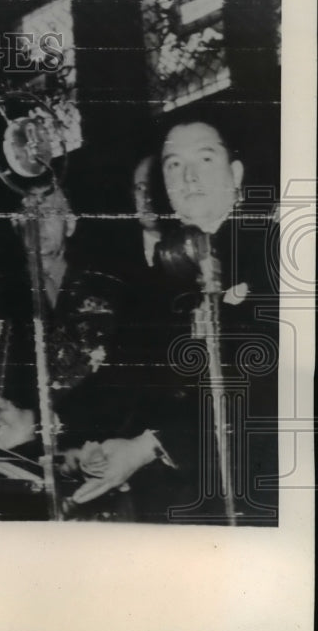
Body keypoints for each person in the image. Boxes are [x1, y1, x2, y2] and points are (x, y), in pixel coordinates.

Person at [71, 121, 278, 524]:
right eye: (173, 165)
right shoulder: (156, 280)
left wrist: (151, 445)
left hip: (257, 496)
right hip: (169, 503)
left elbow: (267, 381)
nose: (189, 175)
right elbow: (119, 378)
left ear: (235, 174)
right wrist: (50, 425)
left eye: (205, 158)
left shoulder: (275, 252)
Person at [0, 186, 126, 459]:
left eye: (49, 212)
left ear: (70, 224)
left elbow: (120, 387)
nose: (38, 221)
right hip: (18, 455)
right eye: (29, 212)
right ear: (16, 224)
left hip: (99, 453)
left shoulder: (112, 294)